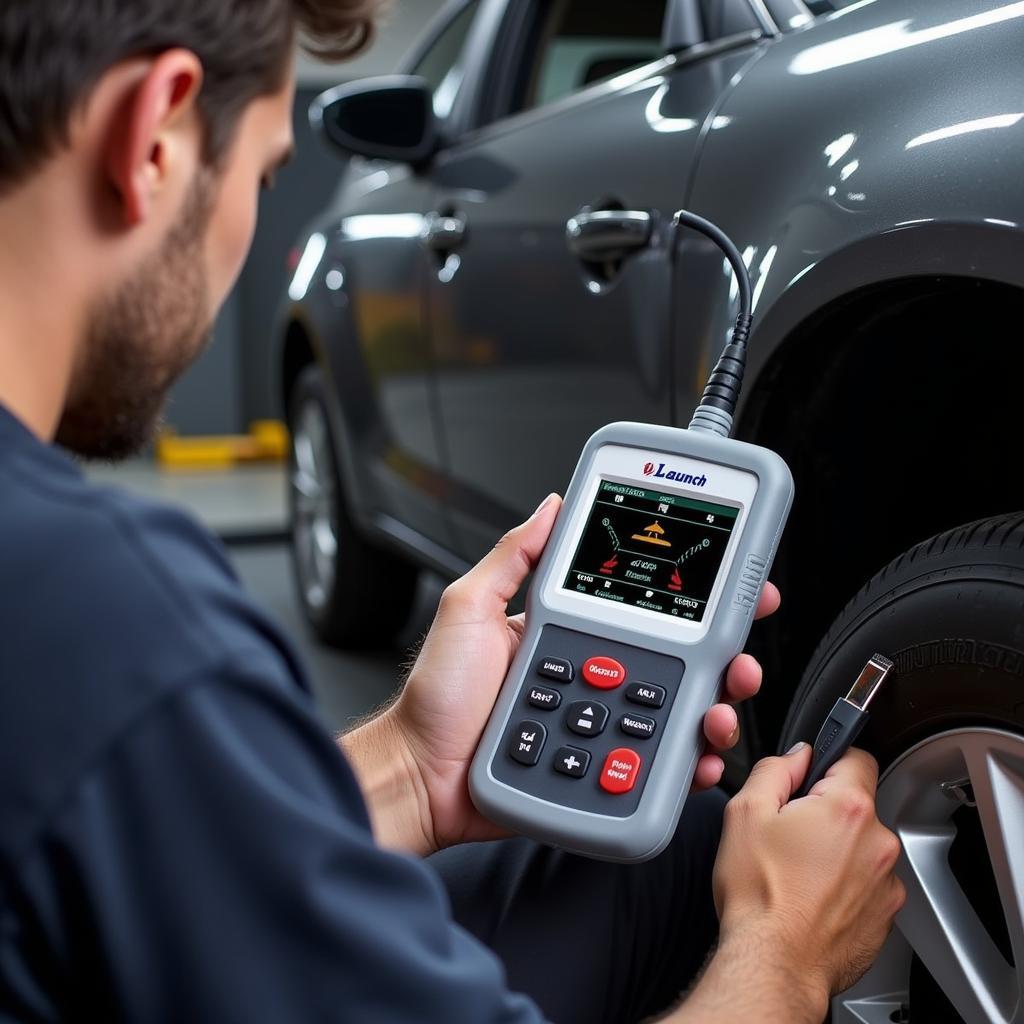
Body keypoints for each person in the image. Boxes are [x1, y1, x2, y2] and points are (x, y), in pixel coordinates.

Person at [0, 2, 905, 1021]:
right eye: (261, 174)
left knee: (673, 848)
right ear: (153, 134)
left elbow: (132, 843)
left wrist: (411, 767)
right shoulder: (113, 623)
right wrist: (786, 946)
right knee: (713, 878)